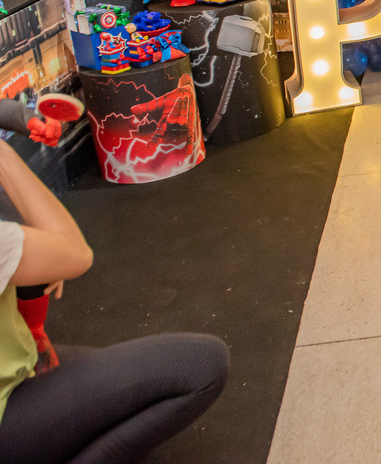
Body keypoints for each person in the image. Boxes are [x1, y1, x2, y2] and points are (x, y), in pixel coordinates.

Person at [0, 136, 229, 463]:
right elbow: (76, 255)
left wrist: (45, 255)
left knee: (131, 400)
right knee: (202, 365)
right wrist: (3, 154)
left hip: (15, 363)